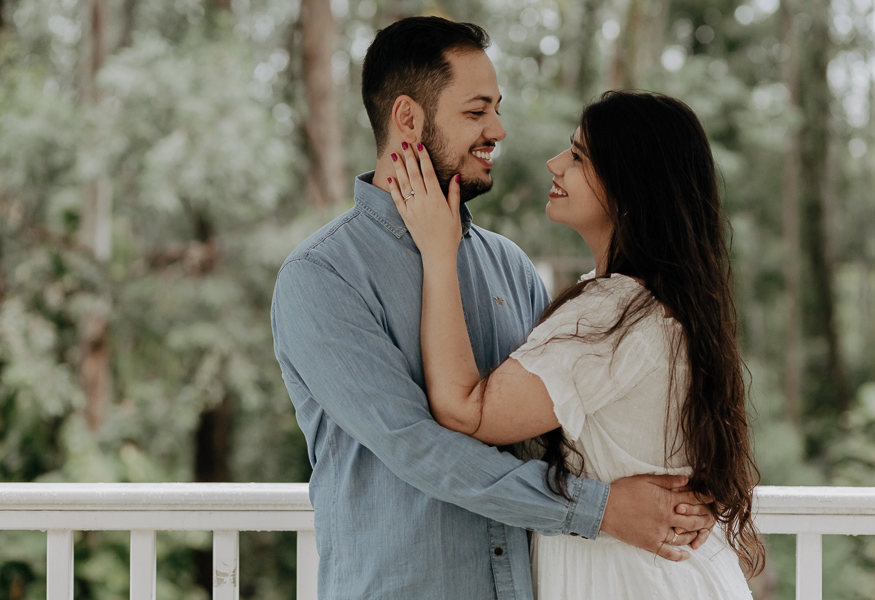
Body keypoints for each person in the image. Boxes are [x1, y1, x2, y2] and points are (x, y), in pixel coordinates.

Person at [272, 17, 715, 599]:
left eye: (497, 109)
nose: (498, 130)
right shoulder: (323, 276)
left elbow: (561, 427)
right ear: (408, 118)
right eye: (477, 111)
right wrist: (601, 508)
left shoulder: (510, 266)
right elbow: (418, 447)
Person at [387, 89, 765, 598]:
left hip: (632, 580)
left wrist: (438, 251)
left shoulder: (612, 314)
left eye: (580, 157)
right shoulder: (662, 301)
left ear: (629, 186)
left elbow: (465, 410)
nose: (555, 164)